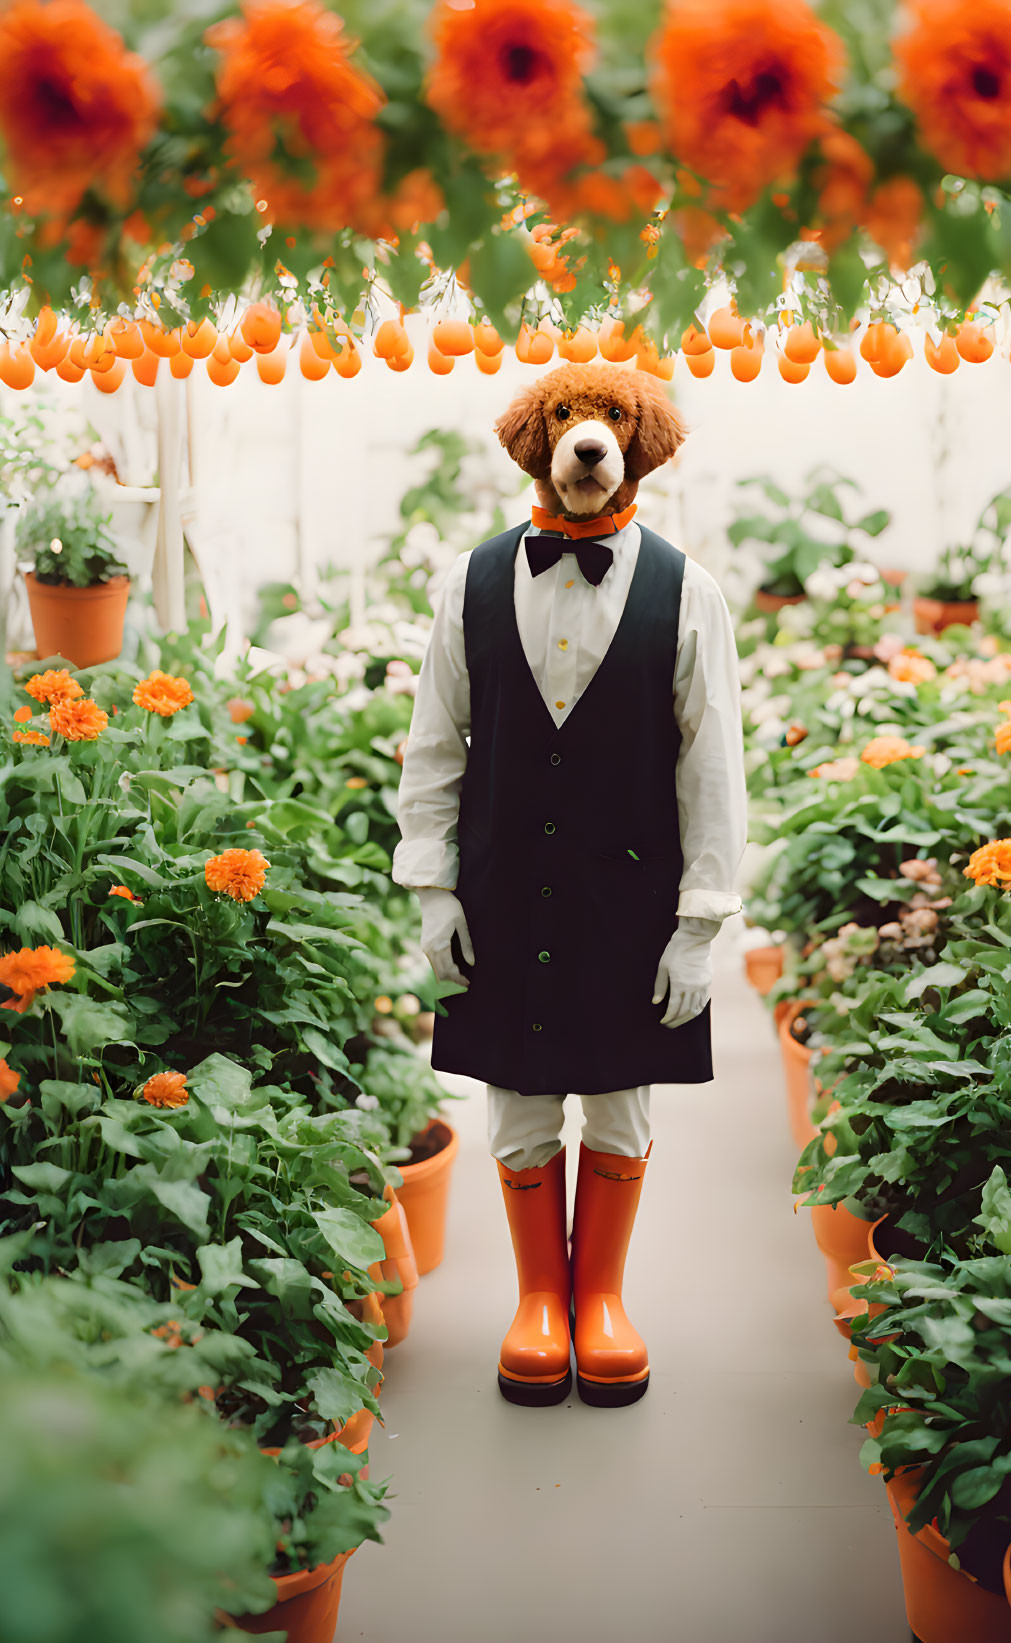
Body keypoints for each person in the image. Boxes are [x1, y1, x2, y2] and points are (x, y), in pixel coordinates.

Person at [394, 363, 745, 1406]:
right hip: (504, 889)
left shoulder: (691, 591)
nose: (586, 439)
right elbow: (434, 745)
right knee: (520, 1099)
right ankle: (538, 1300)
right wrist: (432, 884)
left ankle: (604, 1300)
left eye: (608, 424)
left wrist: (701, 922)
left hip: (629, 900)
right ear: (532, 440)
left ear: (638, 444)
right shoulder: (470, 579)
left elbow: (712, 761)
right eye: (564, 421)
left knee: (623, 1100)